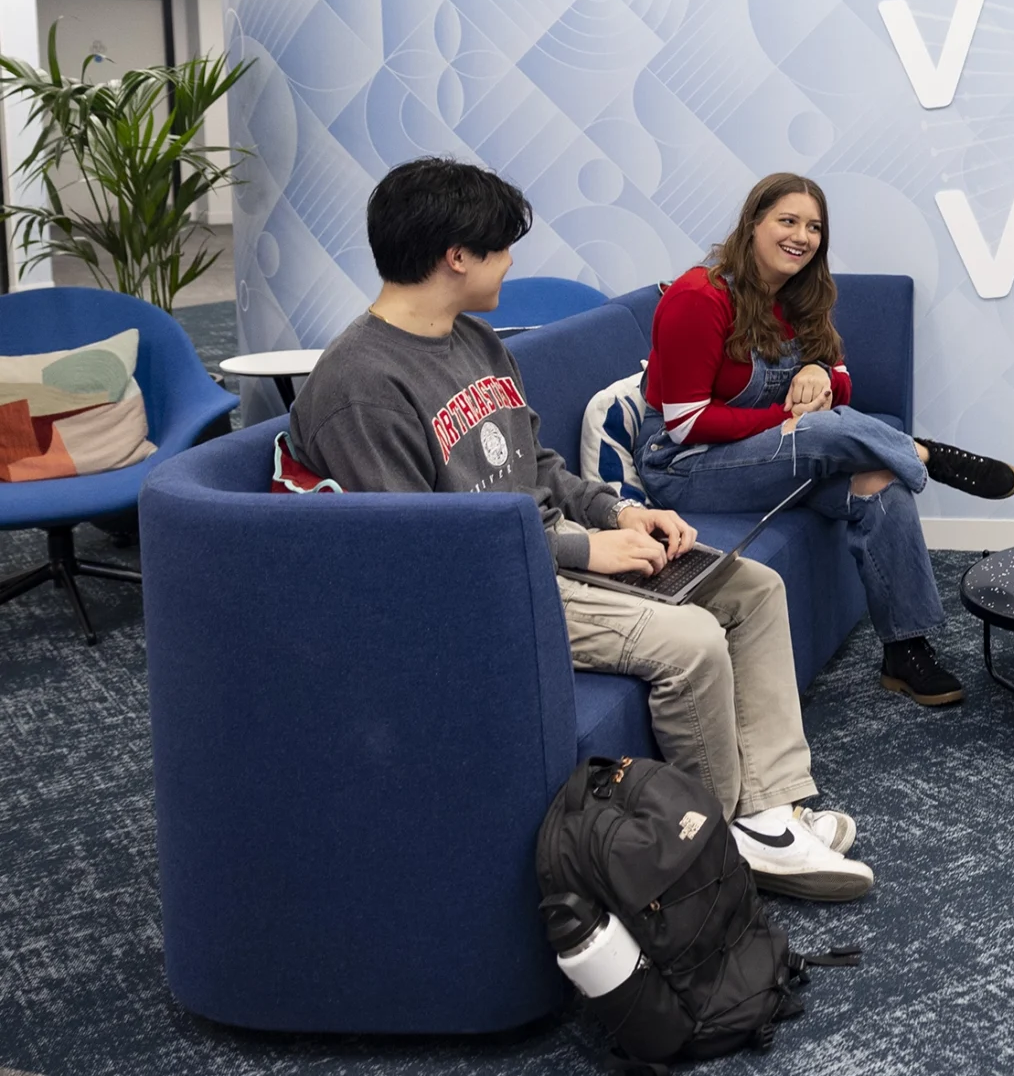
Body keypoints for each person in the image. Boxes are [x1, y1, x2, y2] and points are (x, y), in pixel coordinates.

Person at [285, 158, 875, 902]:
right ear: (455, 256)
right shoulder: (360, 384)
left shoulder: (478, 342)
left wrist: (620, 511)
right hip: (494, 589)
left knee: (751, 588)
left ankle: (769, 808)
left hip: (549, 546)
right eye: (499, 248)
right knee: (690, 643)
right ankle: (722, 841)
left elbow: (542, 464)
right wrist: (583, 548)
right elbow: (422, 551)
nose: (510, 263)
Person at [639, 172, 1012, 710]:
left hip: (771, 460)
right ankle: (926, 453)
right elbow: (686, 422)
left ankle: (905, 651)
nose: (802, 236)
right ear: (752, 225)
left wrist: (817, 370)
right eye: (787, 221)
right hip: (687, 467)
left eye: (814, 227)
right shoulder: (697, 297)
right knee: (820, 431)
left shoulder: (800, 291)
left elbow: (841, 382)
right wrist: (786, 421)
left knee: (881, 482)